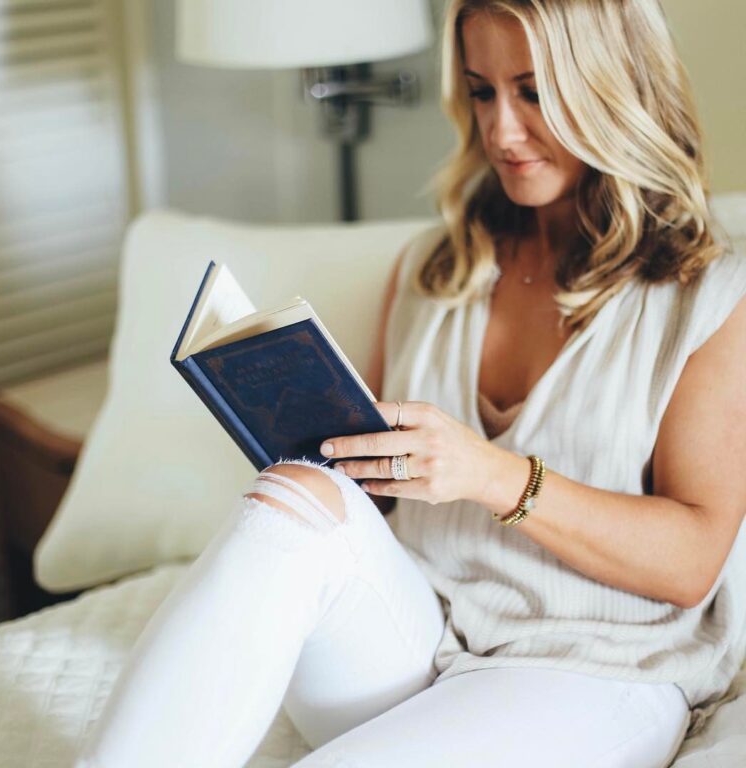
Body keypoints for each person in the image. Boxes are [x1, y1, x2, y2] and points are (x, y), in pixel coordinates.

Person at [76, 1, 746, 766]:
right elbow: (376, 493)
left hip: (593, 665)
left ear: (611, 89)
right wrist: (306, 431)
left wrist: (490, 474)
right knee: (292, 496)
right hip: (415, 632)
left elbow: (693, 562)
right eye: (482, 91)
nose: (502, 131)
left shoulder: (708, 297)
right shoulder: (438, 269)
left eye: (534, 92)